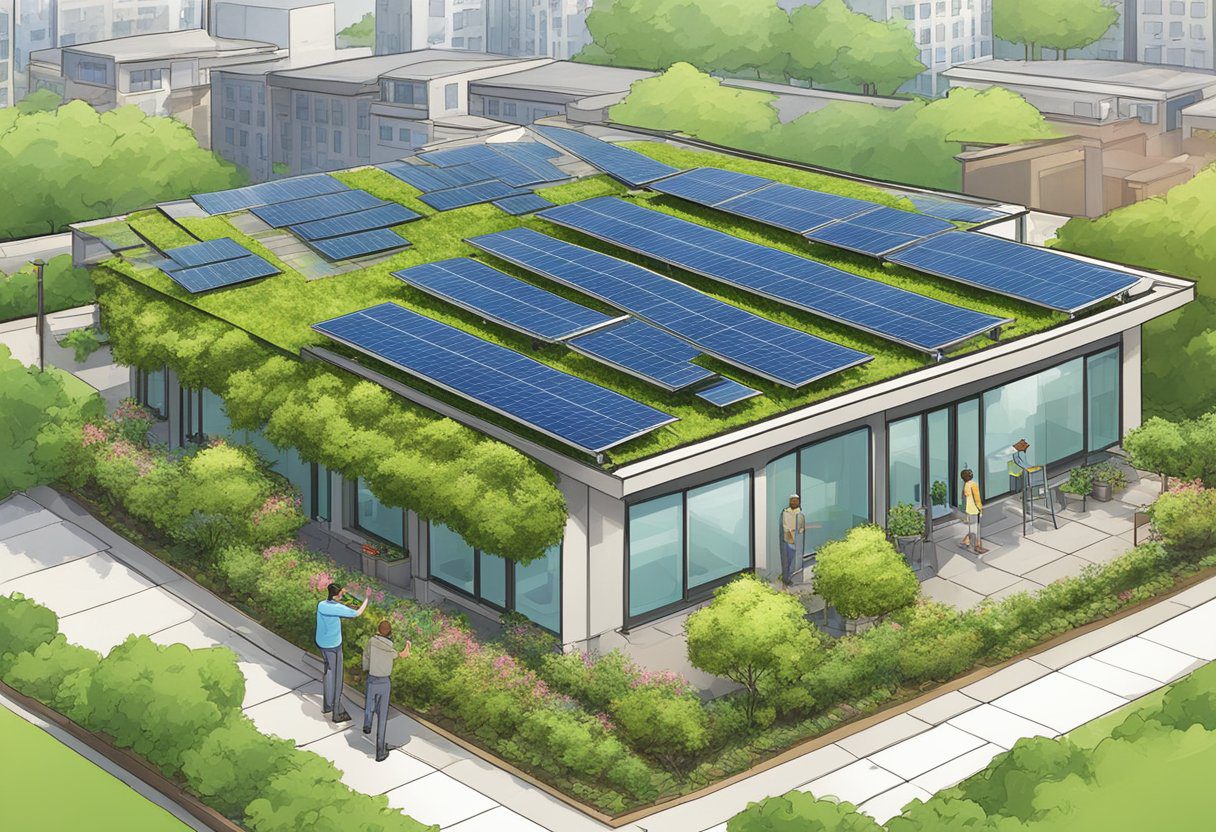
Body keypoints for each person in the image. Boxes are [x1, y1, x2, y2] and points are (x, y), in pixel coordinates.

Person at [315, 582, 368, 724]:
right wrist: (367, 600)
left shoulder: (322, 604)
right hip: (333, 645)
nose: (342, 596)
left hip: (322, 643)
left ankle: (327, 706)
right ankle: (337, 712)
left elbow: (340, 606)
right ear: (336, 595)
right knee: (337, 676)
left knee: (328, 671)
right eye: (341, 594)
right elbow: (357, 613)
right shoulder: (337, 608)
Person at [362, 620, 410, 762]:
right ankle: (380, 750)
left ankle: (367, 724)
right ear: (389, 632)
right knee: (382, 716)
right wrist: (408, 646)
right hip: (384, 682)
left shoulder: (371, 641)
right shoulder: (389, 647)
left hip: (372, 679)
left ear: (378, 629)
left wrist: (365, 668)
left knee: (369, 704)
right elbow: (402, 655)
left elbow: (366, 656)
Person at [780, 495, 807, 588]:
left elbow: (802, 527)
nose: (794, 503)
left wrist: (800, 531)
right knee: (787, 561)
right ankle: (786, 578)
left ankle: (791, 578)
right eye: (792, 501)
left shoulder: (800, 514)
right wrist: (790, 535)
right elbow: (785, 526)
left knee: (794, 562)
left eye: (796, 501)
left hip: (797, 541)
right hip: (788, 540)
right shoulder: (785, 513)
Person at [960, 469, 988, 555]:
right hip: (974, 510)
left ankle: (966, 541)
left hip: (967, 510)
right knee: (976, 529)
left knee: (970, 527)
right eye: (970, 474)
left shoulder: (965, 486)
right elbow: (977, 499)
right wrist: (980, 509)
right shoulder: (973, 485)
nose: (971, 474)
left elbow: (962, 498)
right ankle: (977, 546)